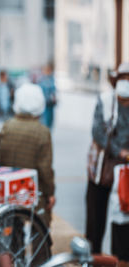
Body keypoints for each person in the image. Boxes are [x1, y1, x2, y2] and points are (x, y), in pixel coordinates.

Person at [0, 83, 55, 263]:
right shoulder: (42, 132)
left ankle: (17, 259)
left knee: (13, 227)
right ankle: (40, 261)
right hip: (33, 193)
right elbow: (45, 169)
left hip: (8, 192)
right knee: (40, 228)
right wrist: (51, 193)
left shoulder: (6, 126)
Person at [86, 62, 129, 258]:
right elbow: (97, 131)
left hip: (125, 173)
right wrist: (119, 151)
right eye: (123, 78)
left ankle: (121, 258)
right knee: (95, 218)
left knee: (122, 218)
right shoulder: (105, 100)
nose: (126, 82)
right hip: (101, 170)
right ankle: (91, 257)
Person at [38, 63, 57, 128]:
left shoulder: (52, 79)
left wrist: (54, 98)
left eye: (49, 70)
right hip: (44, 105)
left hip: (50, 105)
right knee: (44, 122)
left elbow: (54, 91)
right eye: (46, 70)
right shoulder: (41, 80)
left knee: (50, 122)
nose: (48, 72)